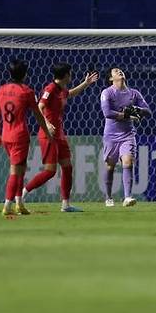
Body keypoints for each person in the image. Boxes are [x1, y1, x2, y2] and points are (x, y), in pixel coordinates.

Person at [21, 63, 99, 212]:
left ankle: (65, 204)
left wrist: (86, 83)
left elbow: (71, 93)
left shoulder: (62, 89)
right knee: (50, 171)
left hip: (59, 135)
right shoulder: (50, 89)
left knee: (68, 167)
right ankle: (22, 193)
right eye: (70, 73)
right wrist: (47, 123)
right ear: (65, 75)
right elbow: (39, 107)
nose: (71, 75)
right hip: (48, 135)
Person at [0, 59, 55, 216]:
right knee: (15, 171)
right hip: (19, 136)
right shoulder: (27, 91)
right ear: (25, 74)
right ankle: (7, 205)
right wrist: (46, 131)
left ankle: (19, 203)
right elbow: (38, 114)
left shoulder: (1, 90)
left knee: (20, 169)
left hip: (6, 135)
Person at [99, 67, 151, 207]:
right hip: (111, 135)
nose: (120, 71)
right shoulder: (107, 92)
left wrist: (139, 110)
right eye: (115, 71)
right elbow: (107, 113)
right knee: (110, 166)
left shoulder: (134, 93)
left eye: (120, 70)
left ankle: (128, 197)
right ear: (111, 78)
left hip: (128, 134)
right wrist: (126, 115)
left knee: (128, 162)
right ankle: (108, 197)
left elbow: (148, 111)